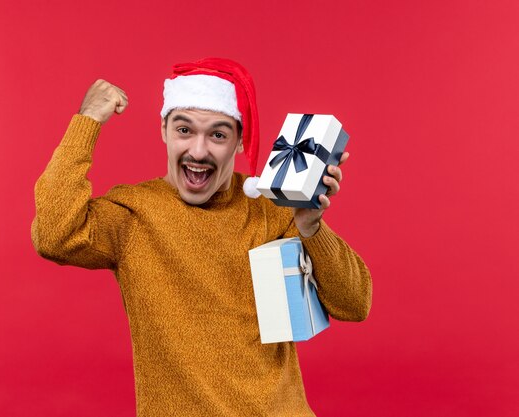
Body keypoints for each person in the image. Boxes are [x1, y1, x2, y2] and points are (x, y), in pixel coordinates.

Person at [32, 57, 372, 417]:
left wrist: (311, 228)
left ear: (240, 142)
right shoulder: (133, 214)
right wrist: (86, 124)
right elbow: (54, 235)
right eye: (184, 130)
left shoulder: (271, 208)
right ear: (164, 130)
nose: (198, 150)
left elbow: (354, 304)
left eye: (218, 135)